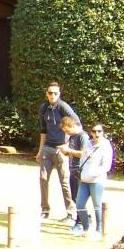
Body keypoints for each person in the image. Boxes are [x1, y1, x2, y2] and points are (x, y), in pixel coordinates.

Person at [36, 82, 79, 220]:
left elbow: (77, 125)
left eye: (55, 93)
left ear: (59, 94)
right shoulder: (44, 108)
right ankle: (45, 210)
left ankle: (70, 213)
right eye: (50, 93)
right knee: (43, 179)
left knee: (65, 182)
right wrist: (40, 150)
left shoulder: (63, 107)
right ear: (46, 94)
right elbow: (43, 130)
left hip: (62, 149)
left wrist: (69, 146)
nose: (52, 95)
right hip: (48, 148)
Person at [66, 123, 113, 239]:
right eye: (94, 131)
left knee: (97, 205)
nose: (96, 134)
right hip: (84, 179)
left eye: (99, 131)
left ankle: (99, 230)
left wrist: (94, 174)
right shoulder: (87, 143)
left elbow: (106, 165)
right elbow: (82, 159)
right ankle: (86, 228)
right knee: (79, 204)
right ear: (90, 132)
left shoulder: (105, 145)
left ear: (103, 132)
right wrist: (83, 173)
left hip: (97, 180)